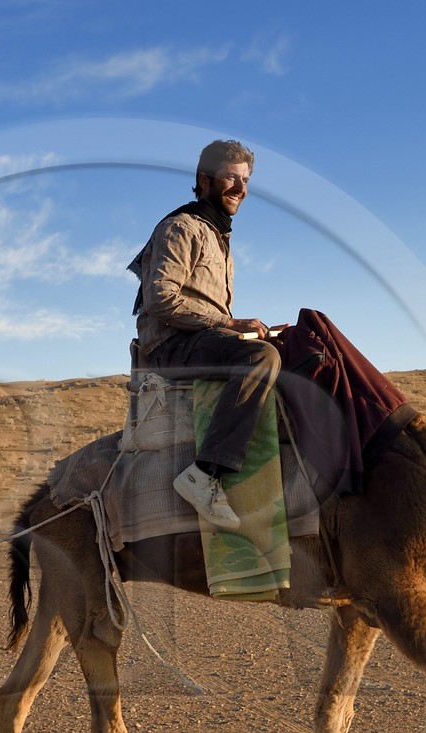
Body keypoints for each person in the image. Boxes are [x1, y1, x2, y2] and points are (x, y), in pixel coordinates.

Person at [127, 139, 283, 530]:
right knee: (259, 358)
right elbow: (160, 299)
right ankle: (205, 473)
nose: (240, 188)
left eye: (245, 180)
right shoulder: (181, 227)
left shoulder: (218, 236)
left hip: (198, 340)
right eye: (231, 177)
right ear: (205, 179)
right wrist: (231, 325)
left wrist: (245, 329)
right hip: (172, 345)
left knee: (287, 349)